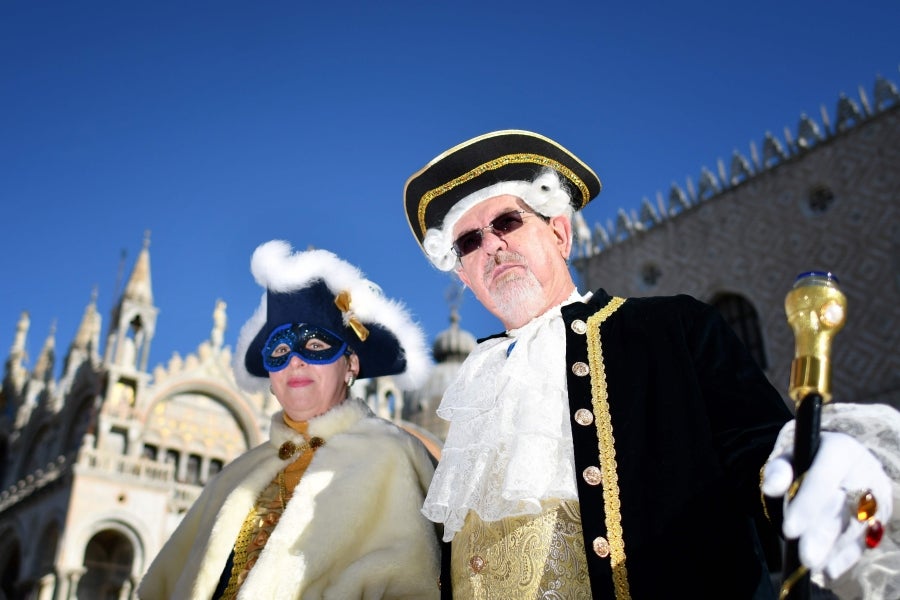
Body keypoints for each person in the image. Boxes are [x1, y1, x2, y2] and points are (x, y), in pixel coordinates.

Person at [403, 129, 899, 599]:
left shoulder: (672, 330)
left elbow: (756, 446)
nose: (491, 245)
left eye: (507, 222)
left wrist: (805, 469)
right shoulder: (472, 388)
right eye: (468, 242)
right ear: (465, 276)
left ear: (559, 232)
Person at [138, 240, 441, 599]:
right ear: (270, 378)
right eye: (280, 350)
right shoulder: (236, 476)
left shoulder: (394, 455)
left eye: (314, 346)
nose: (295, 360)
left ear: (351, 365)